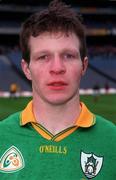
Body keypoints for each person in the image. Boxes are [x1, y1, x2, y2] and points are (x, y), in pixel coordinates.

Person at [0, 0, 116, 179]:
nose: (57, 67)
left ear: (84, 66)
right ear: (26, 69)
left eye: (68, 56)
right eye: (43, 57)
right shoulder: (2, 136)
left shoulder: (112, 141)